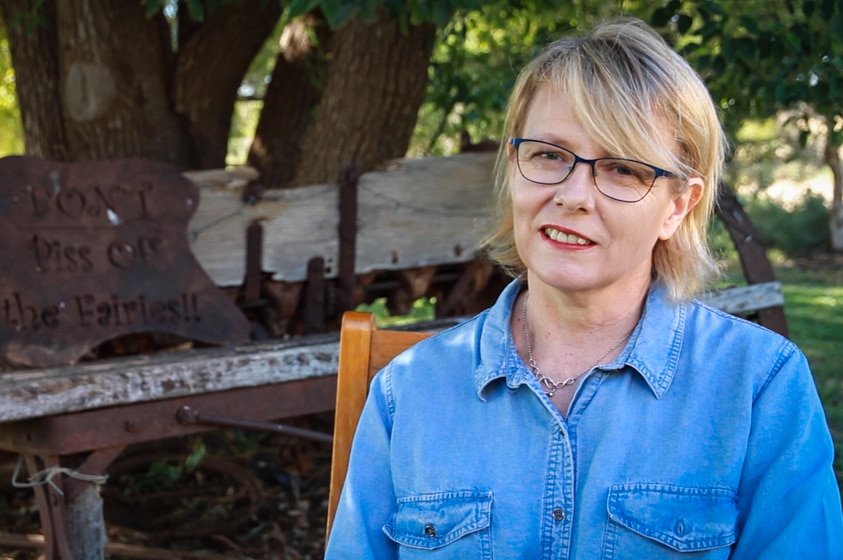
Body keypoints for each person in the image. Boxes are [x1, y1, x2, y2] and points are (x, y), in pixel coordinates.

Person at [325, 17, 843, 559]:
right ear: (513, 166)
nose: (575, 195)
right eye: (549, 155)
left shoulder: (759, 385)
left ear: (677, 206)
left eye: (622, 168)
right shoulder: (409, 392)